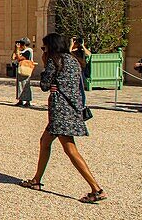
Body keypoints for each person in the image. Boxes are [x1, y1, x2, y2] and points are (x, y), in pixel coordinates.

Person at [19, 33, 106, 204]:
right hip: (72, 107)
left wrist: (45, 64)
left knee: (70, 149)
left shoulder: (55, 60)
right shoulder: (74, 60)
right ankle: (36, 180)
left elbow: (44, 85)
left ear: (51, 46)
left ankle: (96, 189)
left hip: (61, 110)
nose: (43, 50)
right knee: (45, 142)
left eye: (44, 48)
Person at [13, 38, 35, 108]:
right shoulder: (21, 50)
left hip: (25, 69)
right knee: (19, 85)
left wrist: (17, 50)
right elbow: (13, 57)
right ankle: (20, 100)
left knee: (25, 85)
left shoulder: (28, 51)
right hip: (20, 68)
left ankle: (27, 101)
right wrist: (16, 49)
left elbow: (20, 58)